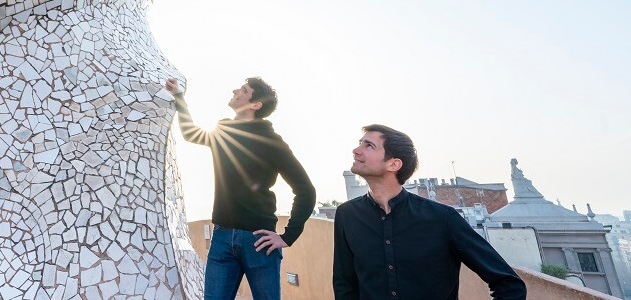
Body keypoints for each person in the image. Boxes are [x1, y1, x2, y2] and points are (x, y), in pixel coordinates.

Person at [331, 124, 527, 299]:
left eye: (368, 146)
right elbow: (344, 285)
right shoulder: (346, 215)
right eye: (360, 144)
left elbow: (510, 286)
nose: (356, 151)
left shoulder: (442, 219)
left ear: (393, 164)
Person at [165, 78, 316, 300]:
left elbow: (305, 190)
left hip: (259, 242)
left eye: (244, 90)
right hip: (222, 238)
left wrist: (288, 236)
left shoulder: (273, 142)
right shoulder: (223, 130)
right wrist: (179, 96)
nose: (236, 90)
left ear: (256, 105)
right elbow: (191, 134)